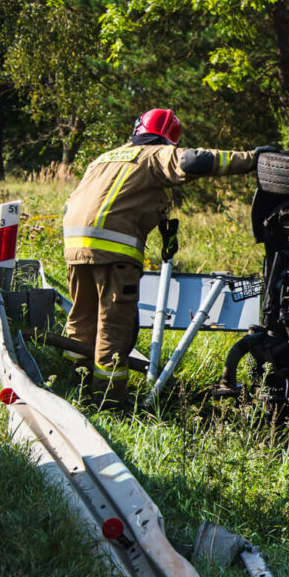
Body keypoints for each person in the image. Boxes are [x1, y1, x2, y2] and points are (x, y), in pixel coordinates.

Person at [61, 108, 268, 396]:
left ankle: (70, 384)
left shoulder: (105, 158)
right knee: (113, 329)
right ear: (168, 140)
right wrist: (251, 159)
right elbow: (195, 161)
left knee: (81, 319)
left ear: (137, 129)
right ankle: (107, 400)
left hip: (74, 245)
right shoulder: (156, 153)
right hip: (114, 251)